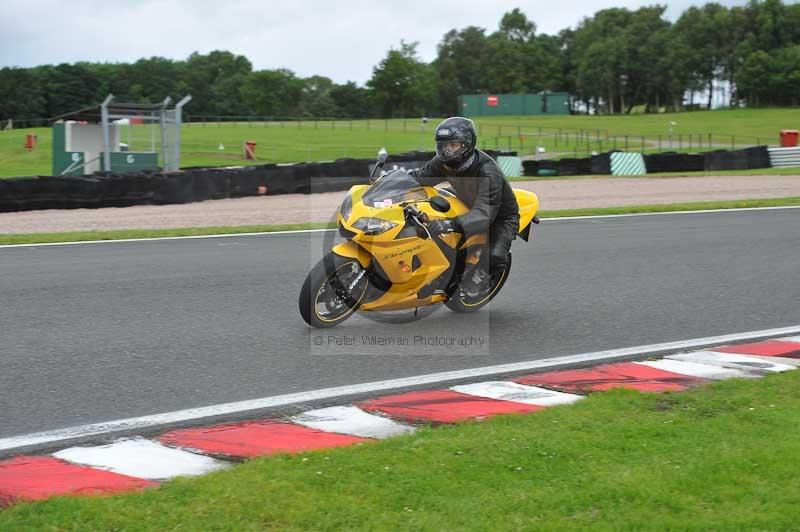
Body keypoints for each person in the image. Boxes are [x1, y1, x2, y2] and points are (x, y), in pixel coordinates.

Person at [412, 116, 520, 296]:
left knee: (494, 254)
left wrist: (449, 224)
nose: (447, 151)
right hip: (466, 203)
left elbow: (485, 213)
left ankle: (482, 276)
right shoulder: (443, 163)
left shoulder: (487, 171)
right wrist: (393, 180)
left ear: (467, 144)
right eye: (443, 145)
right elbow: (419, 177)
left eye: (452, 145)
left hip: (499, 215)